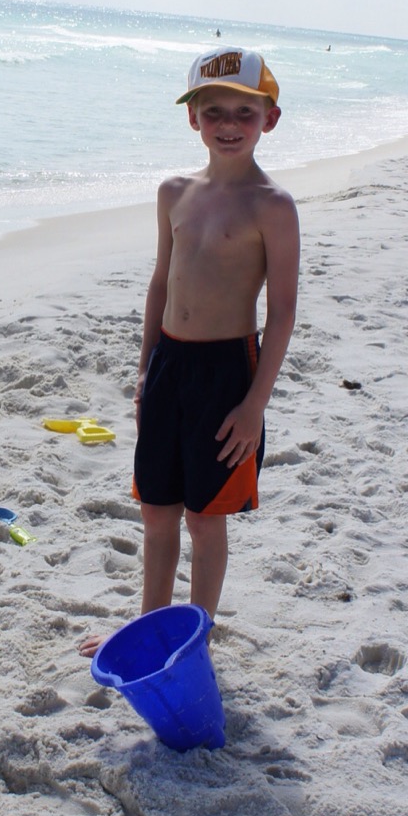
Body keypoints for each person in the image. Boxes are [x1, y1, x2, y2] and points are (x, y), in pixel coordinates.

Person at [131, 48, 300, 620]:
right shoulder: (173, 192)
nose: (229, 125)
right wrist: (144, 370)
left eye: (244, 113)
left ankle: (195, 633)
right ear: (192, 118)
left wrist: (255, 406)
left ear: (269, 119)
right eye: (214, 112)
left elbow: (282, 313)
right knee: (157, 511)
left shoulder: (273, 206)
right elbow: (161, 283)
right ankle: (152, 627)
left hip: (227, 373)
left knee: (205, 518)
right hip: (168, 364)